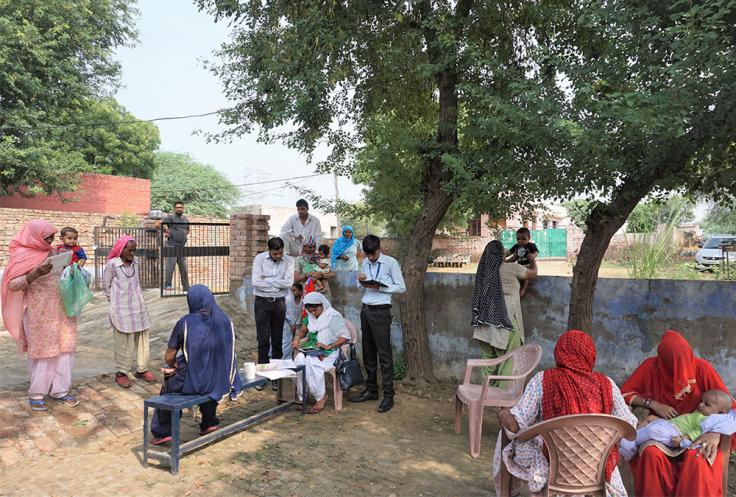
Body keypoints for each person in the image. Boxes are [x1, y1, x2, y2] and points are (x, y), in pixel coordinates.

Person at [494, 330, 637, 497]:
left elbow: (514, 426)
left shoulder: (543, 380)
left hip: (553, 465)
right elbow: (630, 428)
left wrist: (503, 413)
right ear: (590, 354)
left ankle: (508, 494)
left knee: (506, 438)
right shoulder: (608, 385)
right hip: (595, 469)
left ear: (559, 352)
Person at [620, 330, 736, 497]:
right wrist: (652, 403)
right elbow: (623, 394)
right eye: (674, 368)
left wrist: (716, 432)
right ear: (664, 363)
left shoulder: (702, 368)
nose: (681, 376)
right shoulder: (651, 367)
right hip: (661, 434)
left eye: (684, 365)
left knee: (697, 458)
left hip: (699, 435)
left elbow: (730, 409)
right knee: (651, 454)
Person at [1, 220, 80, 411]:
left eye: (52, 238)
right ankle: (37, 392)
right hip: (39, 311)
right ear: (35, 236)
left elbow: (57, 274)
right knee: (44, 351)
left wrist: (68, 268)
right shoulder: (21, 255)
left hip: (61, 307)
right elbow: (12, 285)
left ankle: (60, 390)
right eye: (47, 238)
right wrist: (33, 274)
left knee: (65, 347)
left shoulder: (51, 251)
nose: (50, 241)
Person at [151, 285, 243, 444]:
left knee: (170, 383)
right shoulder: (226, 320)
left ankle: (164, 430)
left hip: (195, 380)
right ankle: (209, 422)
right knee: (212, 373)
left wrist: (172, 366)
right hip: (221, 379)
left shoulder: (185, 322)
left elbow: (169, 355)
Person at [352, 235, 406, 413]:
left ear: (379, 248)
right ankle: (371, 389)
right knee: (368, 352)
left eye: (373, 254)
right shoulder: (366, 262)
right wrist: (360, 281)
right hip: (366, 309)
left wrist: (381, 287)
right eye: (368, 255)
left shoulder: (391, 262)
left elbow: (401, 287)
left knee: (384, 353)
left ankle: (388, 395)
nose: (371, 258)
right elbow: (362, 286)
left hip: (381, 311)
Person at [471, 240, 536, 383]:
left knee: (488, 362)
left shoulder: (483, 271)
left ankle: (486, 395)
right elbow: (532, 274)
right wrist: (532, 260)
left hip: (484, 321)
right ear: (502, 255)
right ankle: (501, 401)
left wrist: (506, 255)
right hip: (505, 322)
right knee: (508, 360)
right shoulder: (511, 268)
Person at [620, 389, 733, 461]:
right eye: (702, 401)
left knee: (653, 430)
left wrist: (683, 439)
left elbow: (698, 431)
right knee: (650, 419)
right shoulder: (701, 413)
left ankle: (629, 447)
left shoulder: (711, 419)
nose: (701, 405)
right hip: (669, 425)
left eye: (707, 405)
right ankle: (633, 436)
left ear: (721, 412)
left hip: (676, 433)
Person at [103, 236, 155, 389]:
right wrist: (115, 303)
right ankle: (121, 373)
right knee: (123, 341)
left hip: (138, 307)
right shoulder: (112, 265)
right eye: (129, 250)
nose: (132, 253)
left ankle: (142, 369)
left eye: (134, 250)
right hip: (121, 309)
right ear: (121, 250)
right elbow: (106, 287)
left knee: (142, 338)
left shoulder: (136, 263)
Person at [291, 292, 351, 414]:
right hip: (313, 349)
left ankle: (321, 397)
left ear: (322, 304)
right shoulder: (309, 317)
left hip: (332, 351)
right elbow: (302, 331)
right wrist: (297, 339)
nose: (313, 313)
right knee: (299, 361)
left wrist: (330, 345)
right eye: (310, 310)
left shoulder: (332, 316)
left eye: (315, 310)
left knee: (312, 362)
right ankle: (303, 396)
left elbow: (346, 336)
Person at [252, 237, 295, 372]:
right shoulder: (259, 259)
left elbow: (288, 283)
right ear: (268, 250)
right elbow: (256, 282)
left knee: (277, 339)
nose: (278, 256)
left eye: (280, 253)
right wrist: (278, 282)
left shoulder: (289, 261)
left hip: (279, 303)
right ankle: (263, 372)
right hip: (262, 303)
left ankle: (276, 372)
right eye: (275, 253)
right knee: (263, 340)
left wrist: (268, 280)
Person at [159, 201, 190, 291]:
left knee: (183, 267)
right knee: (170, 266)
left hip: (182, 246)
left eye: (181, 207)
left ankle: (186, 286)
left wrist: (183, 235)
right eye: (177, 207)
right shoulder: (170, 217)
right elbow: (157, 224)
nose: (179, 209)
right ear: (174, 209)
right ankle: (167, 285)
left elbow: (188, 230)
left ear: (183, 208)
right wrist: (167, 231)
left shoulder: (185, 219)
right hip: (171, 245)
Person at [505, 227, 538, 298]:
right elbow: (508, 253)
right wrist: (504, 254)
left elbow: (536, 252)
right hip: (519, 266)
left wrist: (533, 256)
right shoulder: (516, 246)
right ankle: (516, 289)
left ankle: (523, 289)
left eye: (523, 239)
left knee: (526, 278)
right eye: (518, 239)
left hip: (528, 265)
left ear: (529, 238)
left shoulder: (531, 245)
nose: (520, 241)